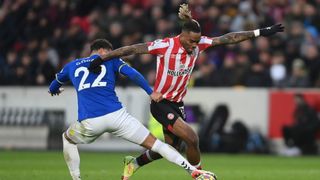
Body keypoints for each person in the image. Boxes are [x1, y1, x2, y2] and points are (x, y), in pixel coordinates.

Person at [88, 4, 284, 179]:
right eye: (191, 42)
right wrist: (103, 58)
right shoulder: (164, 46)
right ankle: (199, 175)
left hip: (177, 103)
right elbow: (130, 49)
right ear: (182, 36)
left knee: (172, 148)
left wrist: (260, 32)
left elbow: (228, 38)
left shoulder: (198, 44)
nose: (194, 46)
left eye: (197, 42)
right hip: (160, 102)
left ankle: (134, 163)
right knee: (192, 138)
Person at [48, 39, 216, 180]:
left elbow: (54, 85)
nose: (110, 54)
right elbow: (133, 73)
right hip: (118, 117)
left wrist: (55, 90)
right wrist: (151, 92)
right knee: (157, 145)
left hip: (90, 121)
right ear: (102, 51)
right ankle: (193, 171)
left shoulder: (72, 66)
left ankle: (76, 178)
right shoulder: (112, 60)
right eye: (109, 52)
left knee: (68, 139)